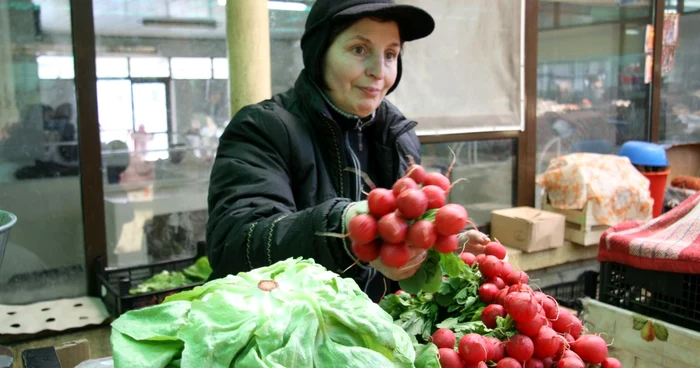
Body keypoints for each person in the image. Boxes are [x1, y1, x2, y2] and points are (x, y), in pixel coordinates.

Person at [206, 0, 490, 302]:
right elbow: (234, 245)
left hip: (368, 334)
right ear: (320, 52)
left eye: (391, 54)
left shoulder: (399, 138)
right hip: (286, 334)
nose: (378, 71)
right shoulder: (262, 128)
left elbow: (396, 243)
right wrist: (346, 228)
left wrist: (434, 247)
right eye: (359, 49)